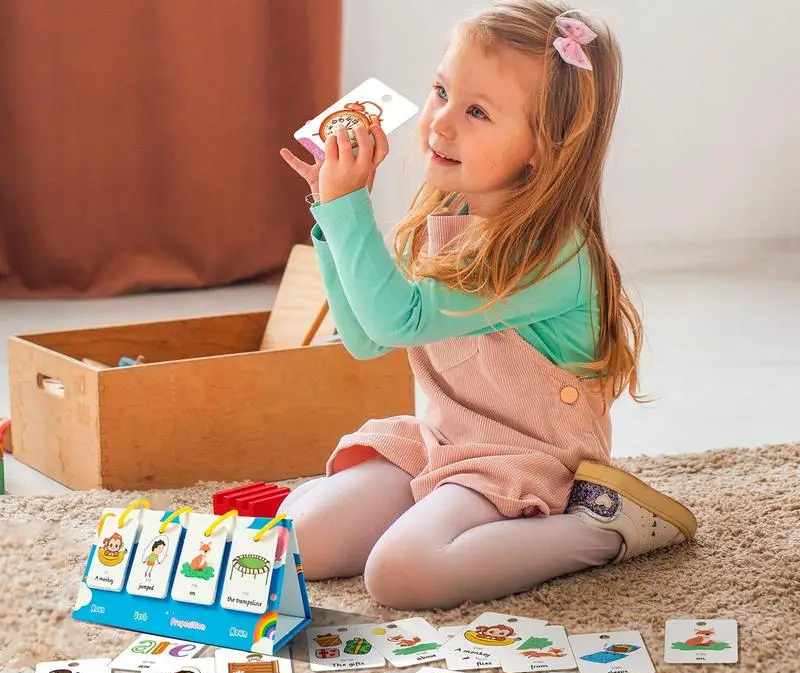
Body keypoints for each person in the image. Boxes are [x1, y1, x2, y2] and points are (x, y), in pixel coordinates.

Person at [279, 0, 696, 610]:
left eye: (477, 111)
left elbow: (399, 319)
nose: (441, 122)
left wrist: (350, 213)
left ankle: (604, 529)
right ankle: (441, 512)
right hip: (445, 440)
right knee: (298, 541)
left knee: (400, 574)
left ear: (543, 146)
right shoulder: (446, 217)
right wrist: (330, 216)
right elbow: (370, 338)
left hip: (526, 458)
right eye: (441, 91)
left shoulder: (549, 251)